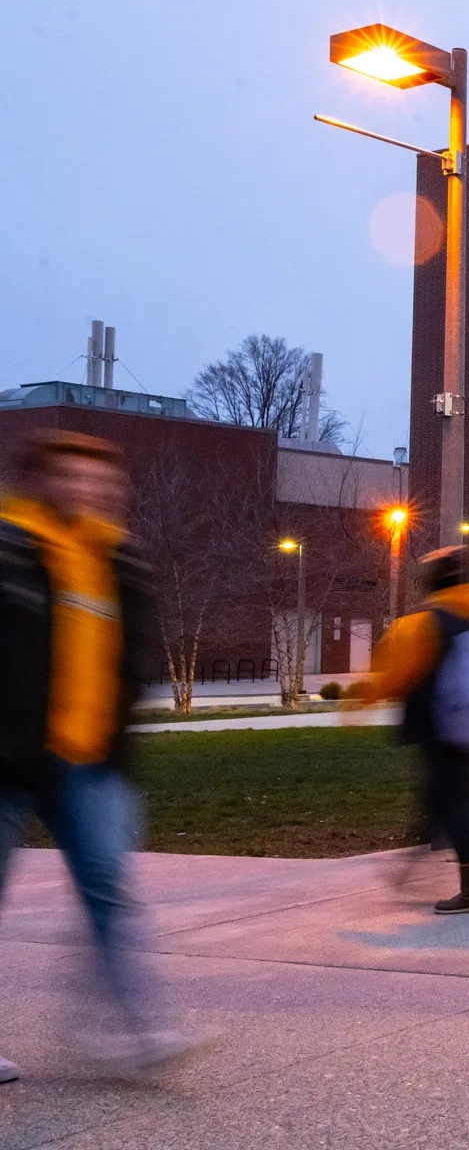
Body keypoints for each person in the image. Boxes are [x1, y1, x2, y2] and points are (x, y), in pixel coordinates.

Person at [0, 431, 202, 1080]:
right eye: (73, 477)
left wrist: (114, 735)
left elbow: (134, 658)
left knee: (109, 894)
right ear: (39, 480)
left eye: (101, 481)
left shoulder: (121, 557)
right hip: (6, 759)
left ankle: (137, 1029)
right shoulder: (8, 546)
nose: (90, 491)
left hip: (89, 762)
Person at [358, 544, 469, 913]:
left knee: (454, 803)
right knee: (449, 797)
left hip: (439, 727)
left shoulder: (426, 621)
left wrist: (358, 702)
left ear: (429, 582)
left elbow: (393, 676)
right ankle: (430, 841)